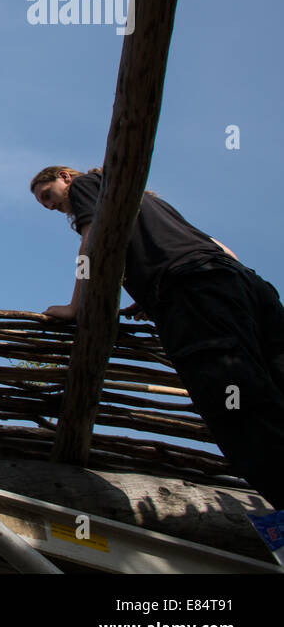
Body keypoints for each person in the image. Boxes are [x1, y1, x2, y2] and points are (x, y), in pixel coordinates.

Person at [30, 165, 284, 509]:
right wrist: (149, 291)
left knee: (234, 406)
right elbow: (223, 250)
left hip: (195, 291)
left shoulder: (89, 185)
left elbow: (94, 241)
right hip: (246, 286)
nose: (51, 207)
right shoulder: (148, 199)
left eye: (48, 196)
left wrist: (76, 305)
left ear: (64, 176)